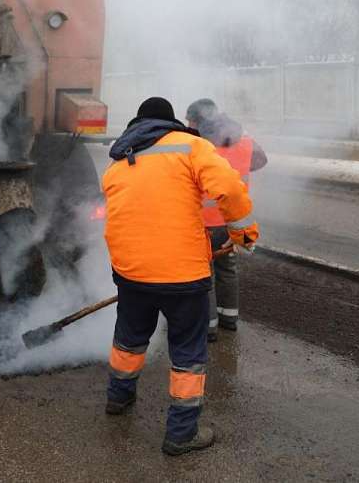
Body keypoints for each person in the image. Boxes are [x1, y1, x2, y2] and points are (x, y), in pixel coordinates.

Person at [102, 97, 259, 456]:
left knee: (128, 339)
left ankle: (118, 398)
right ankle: (181, 433)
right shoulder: (191, 146)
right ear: (169, 122)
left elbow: (114, 217)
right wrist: (244, 235)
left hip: (131, 274)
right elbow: (231, 189)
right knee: (188, 351)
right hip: (181, 275)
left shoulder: (117, 164)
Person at [186, 98, 267, 340]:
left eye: (189, 120)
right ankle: (229, 319)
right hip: (231, 220)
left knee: (204, 275)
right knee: (228, 269)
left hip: (203, 221)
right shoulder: (241, 137)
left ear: (198, 119)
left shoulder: (198, 143)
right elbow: (261, 160)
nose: (187, 124)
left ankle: (208, 327)